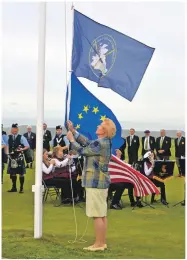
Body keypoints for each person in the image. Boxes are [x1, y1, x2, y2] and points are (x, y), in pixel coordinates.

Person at [66, 118, 116, 251]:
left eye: (100, 125)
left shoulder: (101, 143)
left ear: (104, 130)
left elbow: (83, 151)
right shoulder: (102, 142)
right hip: (100, 182)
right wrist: (73, 131)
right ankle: (101, 242)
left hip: (95, 181)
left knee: (97, 214)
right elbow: (87, 143)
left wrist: (71, 140)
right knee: (101, 214)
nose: (97, 126)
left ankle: (99, 244)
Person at [7, 123, 30, 193]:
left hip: (19, 156)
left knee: (21, 173)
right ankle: (14, 187)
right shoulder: (8, 137)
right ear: (11, 130)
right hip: (11, 157)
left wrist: (21, 149)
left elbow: (27, 146)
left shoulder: (21, 137)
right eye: (13, 129)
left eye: (15, 129)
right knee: (13, 173)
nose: (14, 130)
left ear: (17, 130)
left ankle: (21, 188)